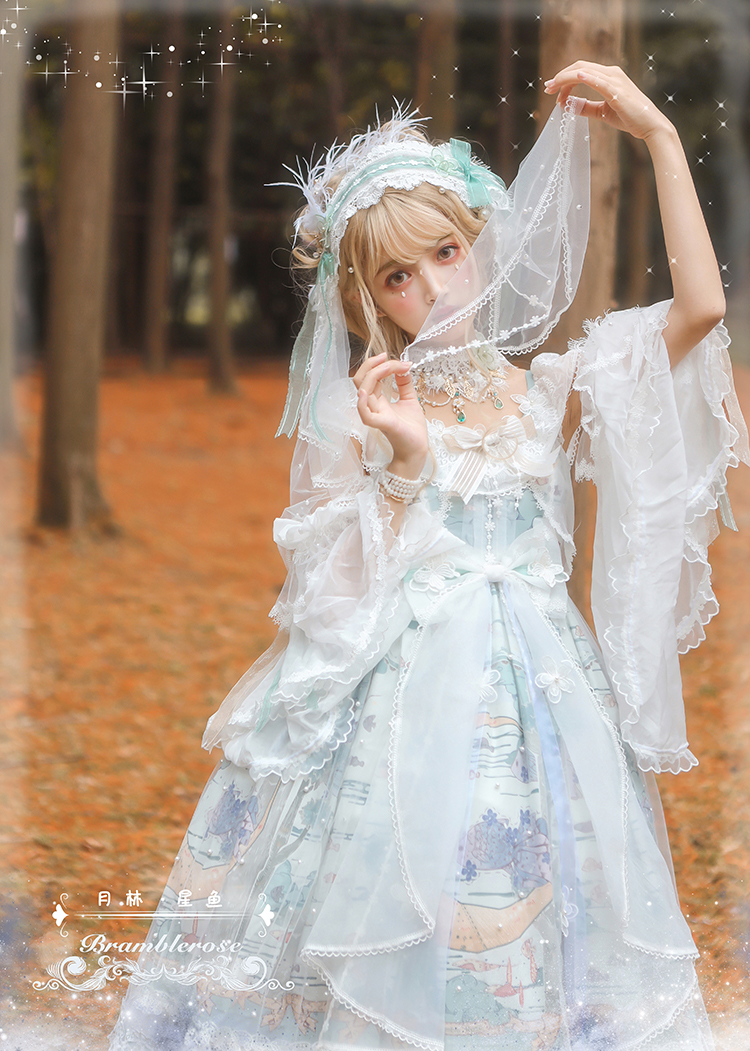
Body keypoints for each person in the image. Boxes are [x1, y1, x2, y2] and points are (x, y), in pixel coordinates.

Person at [109, 63, 749, 1051]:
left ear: (480, 244)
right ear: (365, 299)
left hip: (546, 695)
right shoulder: (357, 412)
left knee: (546, 897)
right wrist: (404, 461)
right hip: (402, 703)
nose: (435, 289)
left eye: (448, 252)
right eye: (397, 277)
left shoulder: (549, 390)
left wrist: (660, 133)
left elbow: (700, 309)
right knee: (415, 896)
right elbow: (331, 612)